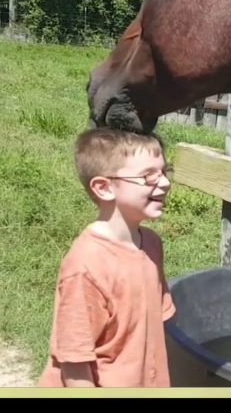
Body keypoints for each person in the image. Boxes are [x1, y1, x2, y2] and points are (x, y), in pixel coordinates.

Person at [37, 127, 175, 387]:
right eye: (148, 176)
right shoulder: (85, 266)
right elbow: (74, 364)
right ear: (104, 187)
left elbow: (159, 327)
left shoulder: (152, 245)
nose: (165, 183)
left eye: (165, 172)